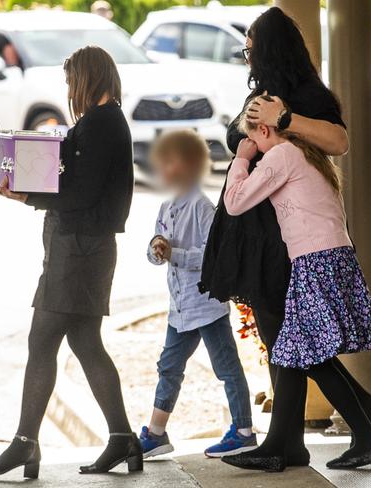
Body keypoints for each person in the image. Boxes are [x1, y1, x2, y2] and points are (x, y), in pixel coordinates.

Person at [199, 6, 371, 471]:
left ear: (270, 49)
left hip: (288, 244)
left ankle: (293, 440)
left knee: (289, 337)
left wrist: (284, 121)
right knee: (283, 336)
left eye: (250, 48)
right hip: (266, 234)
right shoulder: (261, 94)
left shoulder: (304, 97)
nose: (246, 57)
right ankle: (310, 430)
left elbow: (338, 141)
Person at [0, 46, 142, 478]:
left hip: (80, 249)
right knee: (85, 342)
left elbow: (81, 194)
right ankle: (123, 439)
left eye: (71, 81)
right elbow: (71, 177)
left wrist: (23, 194)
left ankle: (25, 444)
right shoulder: (98, 122)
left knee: (41, 339)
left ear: (88, 78)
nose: (69, 89)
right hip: (82, 246)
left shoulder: (103, 124)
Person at [138, 130, 256, 459]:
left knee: (226, 366)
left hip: (206, 305)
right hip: (179, 308)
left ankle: (244, 430)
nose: (164, 168)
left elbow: (210, 256)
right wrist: (156, 249)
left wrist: (173, 254)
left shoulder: (202, 207)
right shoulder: (166, 205)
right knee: (169, 367)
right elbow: (156, 246)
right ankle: (157, 433)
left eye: (171, 162)